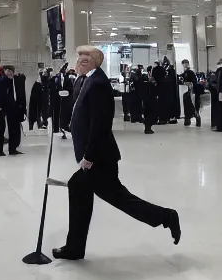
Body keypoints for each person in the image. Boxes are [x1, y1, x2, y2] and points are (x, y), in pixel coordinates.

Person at [52, 45, 181, 261]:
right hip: (93, 155)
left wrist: (89, 157)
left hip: (99, 158)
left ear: (91, 62)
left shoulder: (99, 84)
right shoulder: (84, 80)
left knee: (121, 199)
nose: (78, 62)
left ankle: (166, 216)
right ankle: (74, 247)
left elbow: (100, 125)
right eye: (79, 58)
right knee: (78, 188)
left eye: (83, 58)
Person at [4, 65, 26, 155]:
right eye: (7, 71)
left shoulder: (17, 80)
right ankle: (11, 148)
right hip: (8, 108)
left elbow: (23, 79)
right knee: (11, 128)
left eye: (10, 71)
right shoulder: (4, 81)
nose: (9, 72)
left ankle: (15, 147)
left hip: (18, 107)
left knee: (17, 128)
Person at [179, 60, 201, 127]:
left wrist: (189, 84)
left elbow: (194, 82)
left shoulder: (191, 72)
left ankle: (197, 119)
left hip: (192, 92)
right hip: (186, 92)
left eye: (186, 64)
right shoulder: (184, 73)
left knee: (193, 106)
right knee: (187, 106)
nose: (185, 65)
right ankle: (187, 120)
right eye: (184, 64)